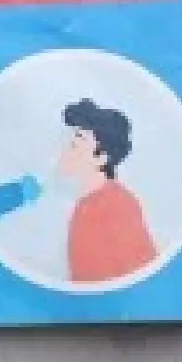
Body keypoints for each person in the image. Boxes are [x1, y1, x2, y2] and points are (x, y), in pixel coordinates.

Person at [55, 98, 159, 285]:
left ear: (102, 157)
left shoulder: (116, 204)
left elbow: (138, 275)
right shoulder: (86, 205)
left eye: (75, 144)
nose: (65, 151)